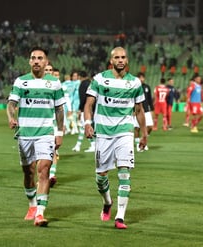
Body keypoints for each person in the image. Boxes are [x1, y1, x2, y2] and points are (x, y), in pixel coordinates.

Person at [84, 47, 147, 229]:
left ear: (127, 60)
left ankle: (120, 217)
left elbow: (139, 110)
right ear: (111, 60)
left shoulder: (134, 83)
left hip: (125, 132)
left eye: (123, 57)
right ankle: (107, 202)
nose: (120, 60)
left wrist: (143, 134)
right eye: (117, 57)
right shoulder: (99, 79)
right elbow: (89, 103)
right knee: (101, 176)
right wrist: (88, 123)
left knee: (124, 171)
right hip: (103, 132)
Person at [7, 47, 65, 227]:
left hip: (45, 133)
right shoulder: (21, 81)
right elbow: (11, 103)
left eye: (40, 58)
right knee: (28, 172)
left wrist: (60, 133)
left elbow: (59, 109)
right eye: (34, 58)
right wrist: (11, 117)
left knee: (44, 170)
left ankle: (40, 213)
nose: (37, 61)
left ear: (46, 62)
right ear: (30, 62)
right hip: (25, 134)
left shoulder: (54, 83)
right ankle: (32, 204)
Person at [72, 71, 95, 152]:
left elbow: (83, 98)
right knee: (83, 127)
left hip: (85, 110)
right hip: (92, 108)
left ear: (79, 77)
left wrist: (80, 109)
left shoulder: (83, 85)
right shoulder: (90, 83)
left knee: (85, 126)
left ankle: (93, 144)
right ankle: (78, 145)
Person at [134, 72, 153, 151]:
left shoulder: (147, 87)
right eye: (140, 77)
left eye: (143, 77)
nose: (142, 79)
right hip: (136, 110)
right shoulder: (134, 87)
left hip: (146, 110)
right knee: (137, 128)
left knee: (150, 127)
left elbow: (149, 99)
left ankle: (143, 141)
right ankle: (138, 144)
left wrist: (152, 109)